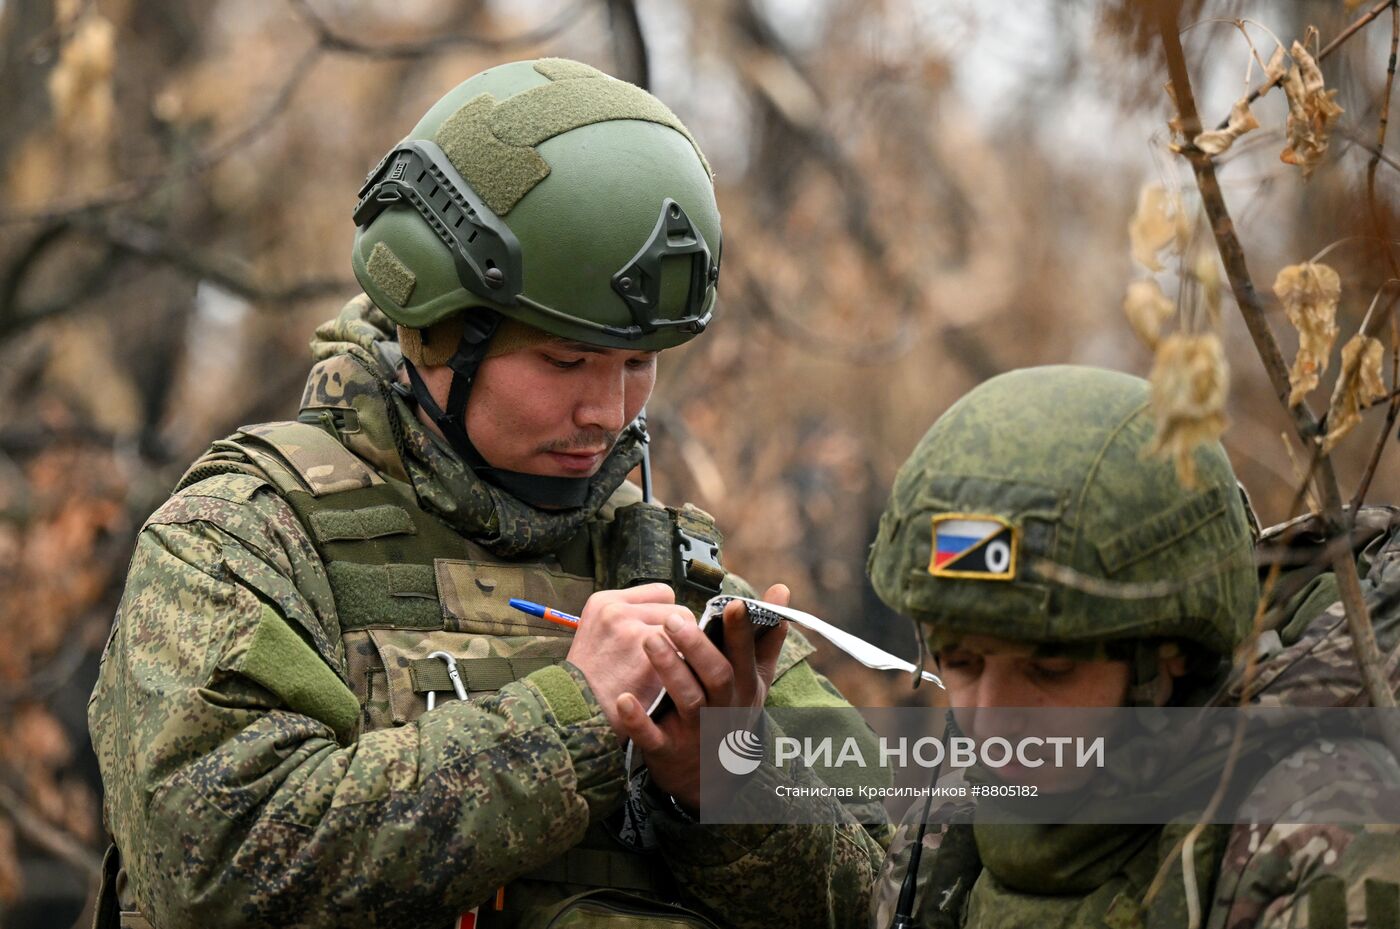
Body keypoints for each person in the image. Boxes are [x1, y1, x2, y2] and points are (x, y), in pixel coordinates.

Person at [88, 58, 885, 929]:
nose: (608, 411)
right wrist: (570, 718)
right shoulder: (242, 539)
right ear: (436, 327)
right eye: (566, 360)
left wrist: (719, 780)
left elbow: (880, 895)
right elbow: (214, 868)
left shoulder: (676, 583)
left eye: (638, 364)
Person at [864, 365, 1400, 929]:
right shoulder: (960, 810)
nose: (993, 722)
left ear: (1168, 652)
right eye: (962, 662)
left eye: (1048, 670)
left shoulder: (1323, 828)